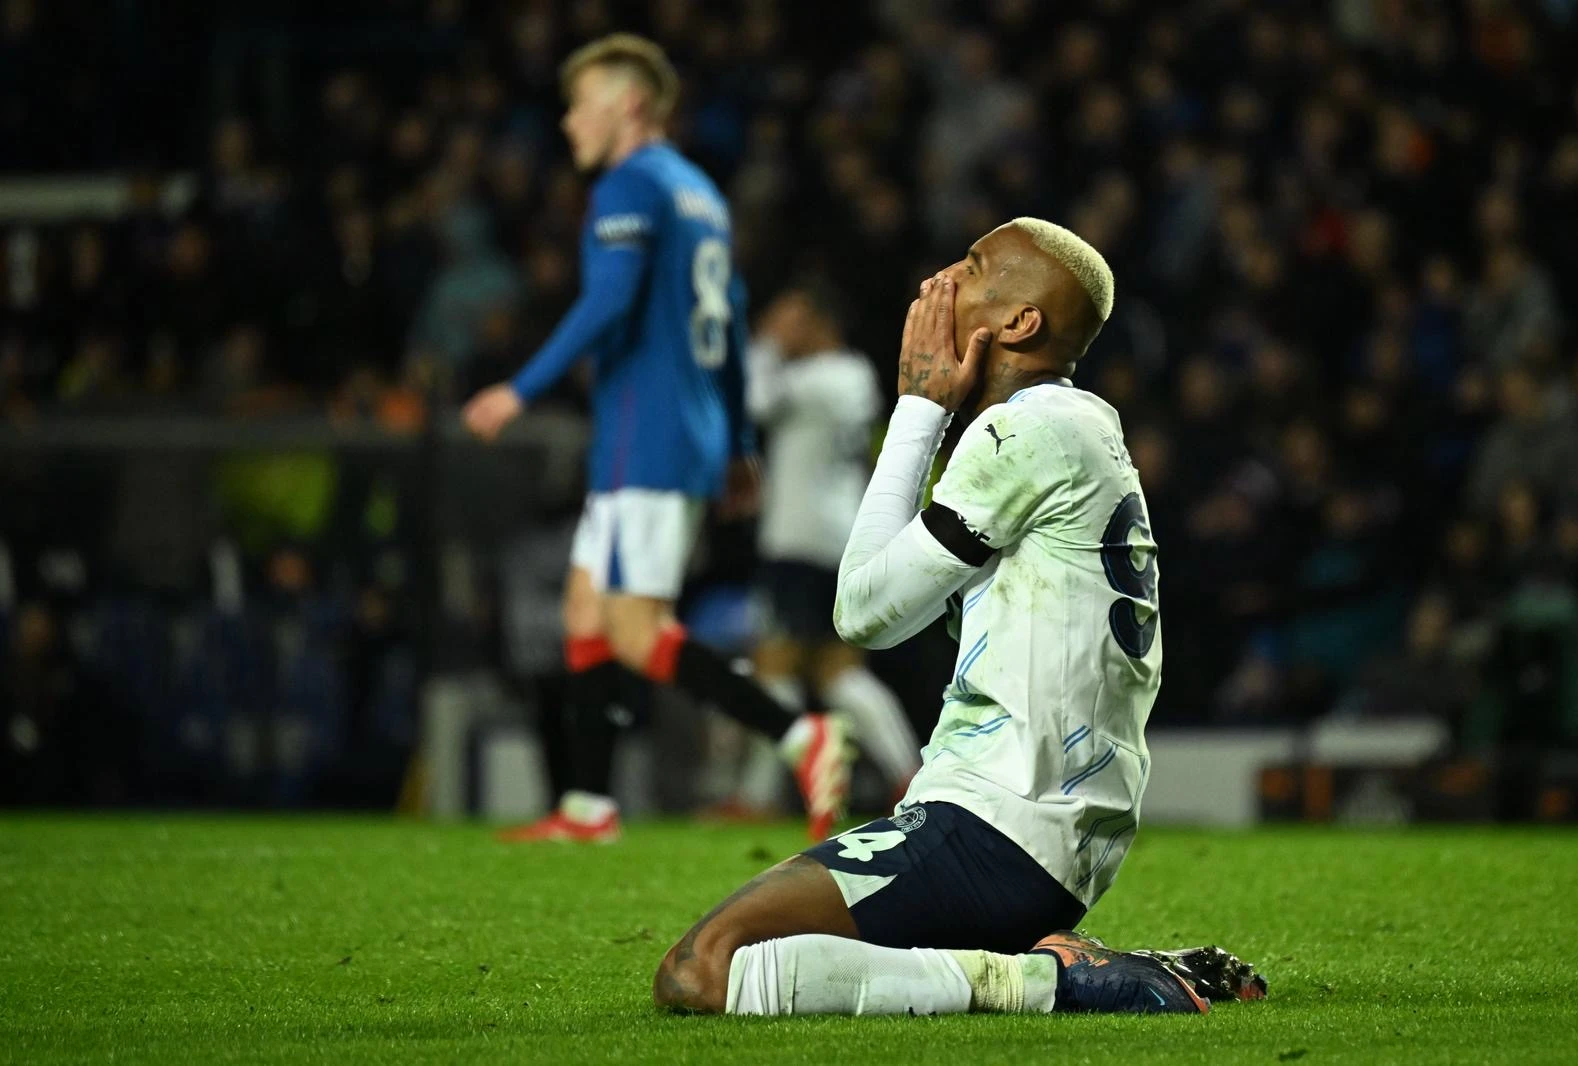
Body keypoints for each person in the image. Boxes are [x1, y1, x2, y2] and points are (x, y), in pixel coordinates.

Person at [651, 218, 1266, 1016]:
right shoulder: (1073, 429)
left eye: (972, 267)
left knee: (701, 971)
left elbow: (863, 613)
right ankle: (1080, 962)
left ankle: (1047, 981)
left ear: (1020, 323)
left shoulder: (1031, 430)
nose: (939, 280)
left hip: (997, 831)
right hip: (1039, 838)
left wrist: (917, 407)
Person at [463, 34, 850, 843]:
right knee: (583, 610)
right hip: (671, 434)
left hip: (651, 437)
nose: (569, 123)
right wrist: (741, 441)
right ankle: (589, 807)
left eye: (582, 103)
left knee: (637, 632)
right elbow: (736, 319)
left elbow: (608, 304)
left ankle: (797, 735)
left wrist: (518, 388)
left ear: (629, 105)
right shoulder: (699, 193)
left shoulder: (628, 184)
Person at [724, 283, 922, 816]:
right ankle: (908, 775)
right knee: (836, 673)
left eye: (791, 318)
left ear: (816, 323)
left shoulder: (817, 379)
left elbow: (749, 400)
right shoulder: (854, 377)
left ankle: (757, 797)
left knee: (779, 670)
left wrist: (765, 342)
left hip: (799, 542)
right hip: (836, 538)